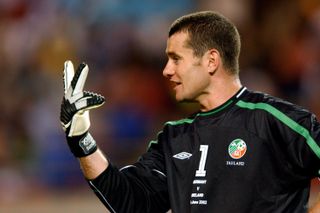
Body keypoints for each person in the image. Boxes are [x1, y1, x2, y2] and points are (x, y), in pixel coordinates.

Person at [60, 11, 320, 213]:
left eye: (176, 58)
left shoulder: (272, 120)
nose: (166, 70)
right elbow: (130, 203)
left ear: (211, 61)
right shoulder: (174, 138)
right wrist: (83, 142)